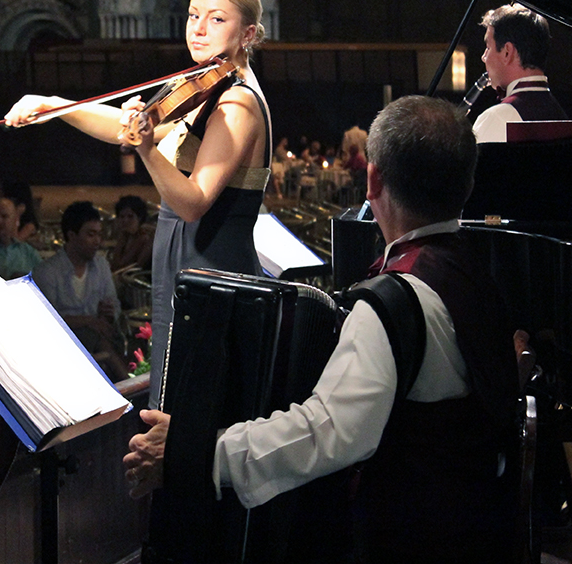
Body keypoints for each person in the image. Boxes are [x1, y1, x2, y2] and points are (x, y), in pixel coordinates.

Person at [123, 96, 520, 563]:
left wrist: (195, 451)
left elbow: (327, 432)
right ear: (466, 185)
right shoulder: (479, 273)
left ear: (372, 180)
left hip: (412, 538)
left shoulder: (396, 299)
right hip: (479, 526)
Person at [3, 0, 271, 408]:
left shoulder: (236, 104)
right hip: (189, 265)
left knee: (195, 408)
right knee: (176, 403)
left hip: (209, 270)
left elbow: (193, 202)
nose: (198, 29)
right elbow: (121, 128)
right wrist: (52, 105)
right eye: (193, 16)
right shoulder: (210, 89)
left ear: (248, 34)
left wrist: (145, 148)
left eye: (216, 19)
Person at [33, 201, 129, 382]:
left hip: (101, 337)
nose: (97, 242)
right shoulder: (48, 271)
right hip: (63, 343)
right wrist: (90, 321)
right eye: (91, 235)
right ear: (71, 235)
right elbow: (47, 320)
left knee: (118, 337)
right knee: (96, 339)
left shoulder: (100, 266)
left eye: (99, 235)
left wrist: (109, 314)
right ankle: (127, 387)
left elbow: (113, 304)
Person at [473, 3, 568, 143]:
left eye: (488, 47)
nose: (484, 57)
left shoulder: (496, 118)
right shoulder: (560, 114)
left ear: (507, 52)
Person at [109, 195, 154, 271]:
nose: (125, 220)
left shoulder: (144, 238)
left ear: (139, 218)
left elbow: (125, 265)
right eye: (122, 216)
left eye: (130, 216)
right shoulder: (125, 236)